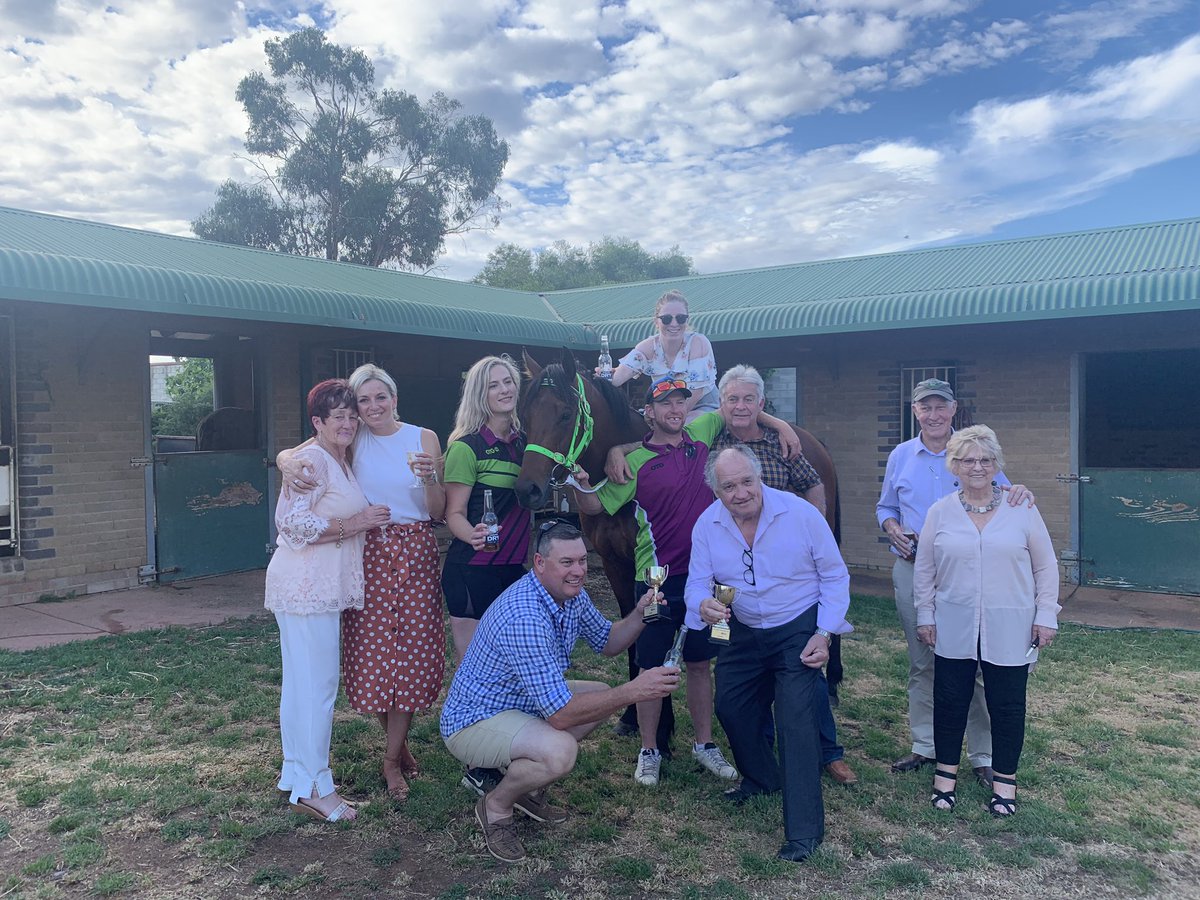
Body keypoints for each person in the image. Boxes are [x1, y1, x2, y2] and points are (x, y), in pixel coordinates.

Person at [440, 520, 681, 862]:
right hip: (474, 720)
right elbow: (561, 714)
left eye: (582, 560)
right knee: (560, 752)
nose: (578, 571)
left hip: (517, 701)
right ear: (540, 563)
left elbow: (609, 643)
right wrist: (633, 691)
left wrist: (641, 613)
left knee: (598, 691)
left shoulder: (571, 595)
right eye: (567, 563)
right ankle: (495, 806)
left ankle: (528, 788)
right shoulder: (525, 615)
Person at [279, 365, 448, 803]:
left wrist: (430, 478)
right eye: (362, 402)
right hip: (366, 551)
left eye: (380, 398)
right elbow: (303, 452)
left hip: (414, 551)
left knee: (411, 652)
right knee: (373, 655)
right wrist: (282, 460)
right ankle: (396, 743)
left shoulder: (422, 437)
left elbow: (436, 509)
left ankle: (391, 757)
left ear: (394, 398)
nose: (370, 409)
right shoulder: (352, 439)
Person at [571, 377, 739, 788]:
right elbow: (595, 503)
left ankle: (704, 744)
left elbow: (737, 406)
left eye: (681, 402)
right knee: (650, 665)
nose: (675, 409)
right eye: (666, 404)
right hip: (655, 581)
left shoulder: (700, 434)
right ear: (649, 412)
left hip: (704, 578)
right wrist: (575, 480)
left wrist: (783, 426)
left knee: (700, 664)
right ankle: (649, 750)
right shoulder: (636, 464)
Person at [686, 447, 852, 863]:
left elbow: (835, 574)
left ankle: (804, 833)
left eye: (747, 482)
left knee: (795, 721)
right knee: (731, 706)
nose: (740, 493)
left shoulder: (799, 514)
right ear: (716, 491)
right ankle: (762, 779)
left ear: (759, 478)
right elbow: (696, 585)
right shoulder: (707, 524)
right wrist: (703, 605)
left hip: (797, 626)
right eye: (729, 486)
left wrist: (825, 634)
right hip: (742, 628)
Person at [876, 378, 1033, 787]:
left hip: (970, 575)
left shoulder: (972, 452)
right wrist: (891, 527)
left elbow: (1006, 493)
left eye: (940, 407)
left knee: (980, 664)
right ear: (914, 411)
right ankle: (926, 746)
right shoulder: (900, 455)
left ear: (953, 409)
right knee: (923, 660)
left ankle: (982, 755)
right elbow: (885, 506)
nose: (932, 414)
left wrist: (1019, 491)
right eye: (924, 407)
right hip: (914, 569)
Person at [711, 365, 854, 786]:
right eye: (732, 399)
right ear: (721, 405)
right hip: (731, 577)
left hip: (786, 574)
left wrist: (817, 533)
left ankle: (828, 750)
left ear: (761, 404)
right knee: (744, 668)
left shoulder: (780, 442)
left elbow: (811, 484)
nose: (740, 406)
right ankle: (763, 755)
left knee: (802, 667)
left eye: (748, 399)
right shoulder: (709, 442)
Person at [914, 426, 1059, 817]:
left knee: (1007, 706)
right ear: (954, 466)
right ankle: (945, 778)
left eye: (985, 459)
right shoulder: (940, 511)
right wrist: (925, 614)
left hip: (1010, 623)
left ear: (997, 465)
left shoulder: (1022, 508)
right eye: (967, 459)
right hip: (953, 623)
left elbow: (1046, 566)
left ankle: (1005, 783)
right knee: (949, 702)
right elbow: (924, 570)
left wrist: (1046, 616)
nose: (977, 466)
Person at [265, 379, 391, 822]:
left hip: (313, 588)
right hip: (305, 587)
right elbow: (291, 523)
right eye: (336, 416)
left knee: (302, 685)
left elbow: (295, 460)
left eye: (351, 414)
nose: (348, 422)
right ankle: (317, 786)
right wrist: (356, 523)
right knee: (317, 688)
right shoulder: (314, 461)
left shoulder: (335, 457)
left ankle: (296, 775)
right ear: (318, 421)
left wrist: (285, 456)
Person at [441, 354, 532, 798]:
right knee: (476, 668)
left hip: (514, 570)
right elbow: (451, 513)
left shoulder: (526, 444)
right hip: (471, 569)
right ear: (481, 392)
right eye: (495, 384)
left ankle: (506, 746)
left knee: (512, 665)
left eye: (509, 382)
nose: (504, 389)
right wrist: (472, 536)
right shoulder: (465, 447)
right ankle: (476, 763)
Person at [605, 289, 718, 422]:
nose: (674, 324)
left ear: (688, 320)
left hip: (702, 407)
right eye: (666, 319)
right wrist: (603, 376)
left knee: (687, 427)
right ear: (656, 322)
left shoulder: (698, 343)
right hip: (665, 412)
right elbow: (617, 379)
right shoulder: (647, 347)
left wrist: (664, 419)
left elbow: (696, 393)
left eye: (681, 318)